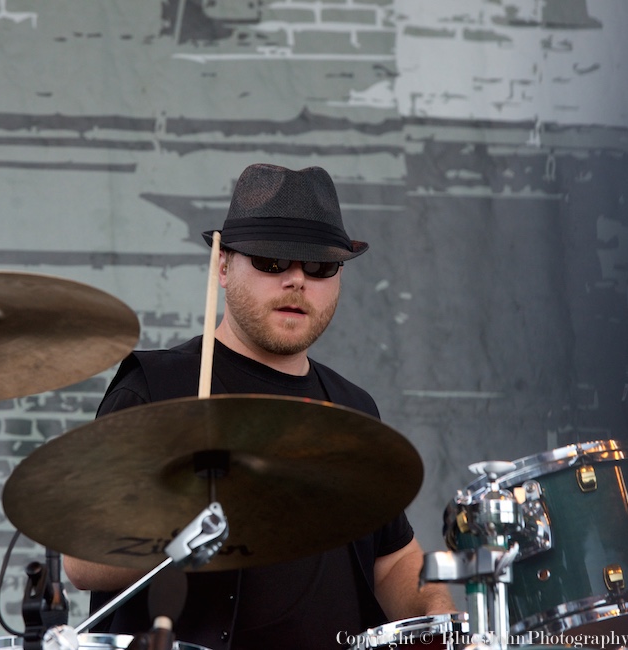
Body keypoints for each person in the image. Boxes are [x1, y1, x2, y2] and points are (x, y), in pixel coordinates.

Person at [64, 163, 456, 649]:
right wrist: (201, 519)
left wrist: (437, 613)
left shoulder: (352, 411)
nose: (297, 280)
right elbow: (80, 561)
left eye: (319, 266)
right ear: (223, 266)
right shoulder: (156, 389)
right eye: (273, 261)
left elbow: (392, 561)